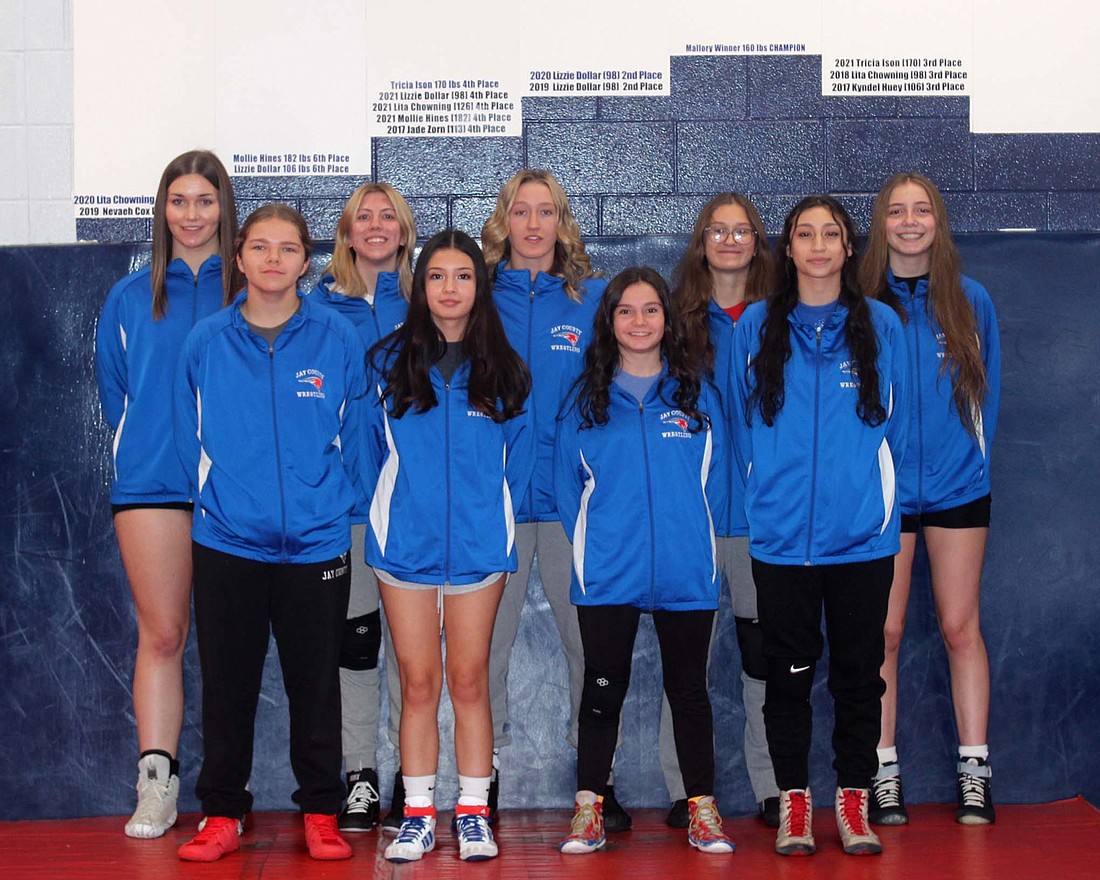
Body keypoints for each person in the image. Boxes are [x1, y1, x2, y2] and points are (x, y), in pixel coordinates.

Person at [173, 204, 365, 862]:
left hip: (316, 544)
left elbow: (358, 435)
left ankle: (320, 812)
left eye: (288, 249)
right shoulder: (206, 341)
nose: (274, 259)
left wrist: (334, 503)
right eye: (261, 247)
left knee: (317, 683)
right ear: (241, 259)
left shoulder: (336, 339)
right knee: (226, 685)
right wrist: (215, 505)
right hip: (228, 542)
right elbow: (184, 436)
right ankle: (222, 814)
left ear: (305, 262)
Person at [731, 196, 909, 857]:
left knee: (859, 675)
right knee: (789, 678)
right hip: (781, 543)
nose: (817, 245)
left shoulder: (880, 327)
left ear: (848, 247)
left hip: (862, 540)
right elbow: (742, 425)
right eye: (804, 234)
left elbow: (898, 427)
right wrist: (769, 500)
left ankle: (855, 802)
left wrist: (872, 504)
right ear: (789, 249)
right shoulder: (755, 328)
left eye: (829, 234)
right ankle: (796, 805)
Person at [361, 230, 532, 862]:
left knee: (469, 681)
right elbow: (370, 456)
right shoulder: (388, 364)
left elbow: (519, 467)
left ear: (479, 287)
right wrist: (394, 517)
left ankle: (472, 810)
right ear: (420, 285)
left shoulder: (506, 371)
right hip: (404, 549)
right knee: (417, 683)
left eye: (463, 276)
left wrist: (493, 522)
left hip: (480, 552)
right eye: (437, 276)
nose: (450, 288)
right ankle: (416, 814)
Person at [554, 267, 735, 856]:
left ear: (667, 319)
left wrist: (699, 548)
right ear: (609, 322)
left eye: (650, 310)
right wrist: (594, 547)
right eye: (626, 311)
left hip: (686, 573)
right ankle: (590, 808)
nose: (639, 321)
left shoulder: (698, 396)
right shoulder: (585, 401)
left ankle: (702, 810)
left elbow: (720, 485)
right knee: (602, 692)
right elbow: (566, 490)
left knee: (689, 692)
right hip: (608, 573)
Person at [472, 169, 629, 829]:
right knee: (485, 648)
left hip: (572, 504)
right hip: (494, 503)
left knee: (587, 648)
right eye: (520, 212)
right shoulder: (476, 299)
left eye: (546, 213)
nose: (532, 226)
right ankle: (486, 774)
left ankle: (598, 781)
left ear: (562, 223)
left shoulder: (592, 300)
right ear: (503, 221)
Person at [95, 149, 237, 839]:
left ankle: (229, 798)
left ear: (223, 208)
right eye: (178, 201)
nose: (190, 215)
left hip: (234, 489)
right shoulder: (128, 297)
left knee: (232, 645)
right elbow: (116, 397)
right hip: (152, 487)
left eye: (204, 201)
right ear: (162, 210)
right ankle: (156, 785)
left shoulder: (251, 287)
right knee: (164, 635)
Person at [860, 173, 1001, 826]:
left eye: (922, 211)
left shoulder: (971, 302)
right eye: (897, 211)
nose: (910, 221)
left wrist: (970, 467)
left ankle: (975, 769)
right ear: (882, 224)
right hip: (884, 497)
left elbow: (986, 400)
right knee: (882, 633)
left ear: (938, 223)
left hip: (956, 492)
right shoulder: (861, 304)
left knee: (958, 627)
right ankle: (883, 772)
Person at [663, 193, 780, 829]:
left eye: (742, 231)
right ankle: (687, 789)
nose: (730, 240)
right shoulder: (676, 322)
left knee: (764, 662)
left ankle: (772, 785)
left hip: (764, 521)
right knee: (688, 666)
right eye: (718, 230)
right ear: (702, 240)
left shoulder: (781, 322)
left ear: (757, 242)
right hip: (695, 523)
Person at [309, 182, 416, 833]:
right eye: (362, 218)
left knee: (410, 650)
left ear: (404, 231)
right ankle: (360, 778)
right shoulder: (316, 310)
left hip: (411, 508)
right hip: (347, 506)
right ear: (347, 233)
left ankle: (415, 773)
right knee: (355, 643)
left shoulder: (431, 301)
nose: (375, 226)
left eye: (388, 217)